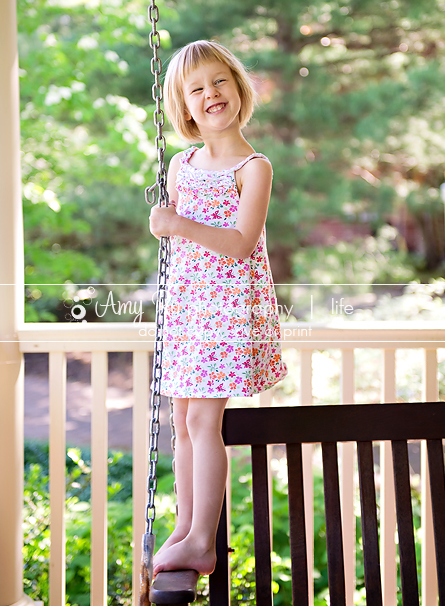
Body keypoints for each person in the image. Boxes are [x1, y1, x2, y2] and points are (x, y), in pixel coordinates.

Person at [149, 40, 287, 577]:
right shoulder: (182, 164)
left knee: (205, 420)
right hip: (190, 311)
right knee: (183, 421)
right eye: (197, 89)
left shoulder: (254, 167)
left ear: (239, 87)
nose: (211, 95)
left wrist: (176, 224)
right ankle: (186, 526)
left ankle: (203, 539)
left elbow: (237, 242)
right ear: (184, 106)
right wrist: (168, 225)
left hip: (229, 313)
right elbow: (179, 243)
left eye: (219, 82)